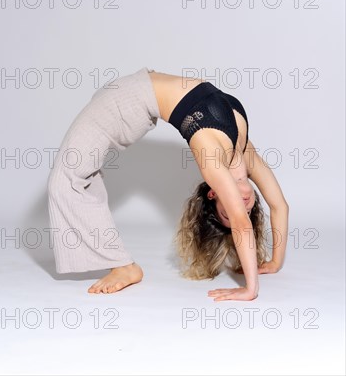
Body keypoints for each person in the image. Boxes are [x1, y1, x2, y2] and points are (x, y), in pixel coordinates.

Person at [47, 67, 289, 301]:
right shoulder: (244, 153)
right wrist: (274, 263)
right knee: (71, 176)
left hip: (132, 99)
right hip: (132, 92)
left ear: (214, 193)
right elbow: (279, 206)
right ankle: (120, 265)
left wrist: (249, 288)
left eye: (231, 209)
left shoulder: (213, 161)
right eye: (246, 212)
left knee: (66, 178)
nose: (242, 207)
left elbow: (240, 223)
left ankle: (122, 266)